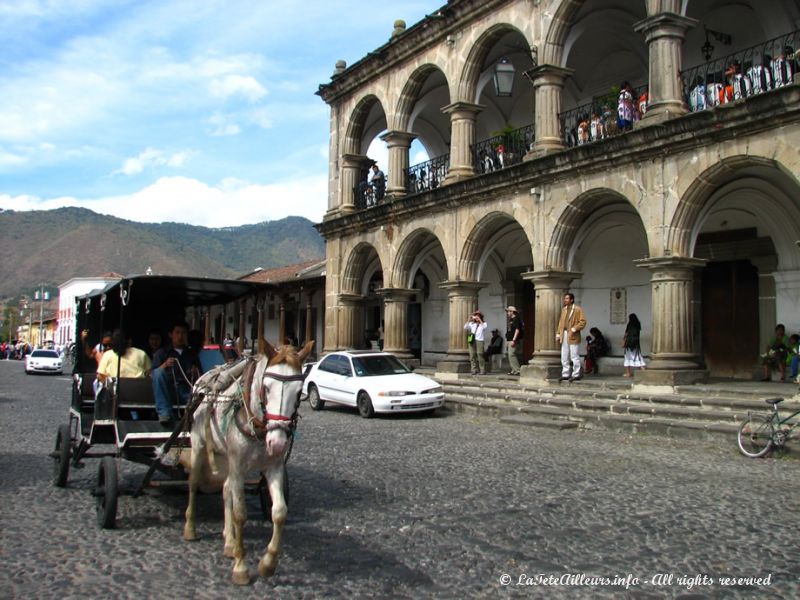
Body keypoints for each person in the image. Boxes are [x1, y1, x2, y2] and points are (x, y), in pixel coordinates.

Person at [151, 321, 201, 426]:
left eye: (183, 333)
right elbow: (152, 375)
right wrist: (164, 365)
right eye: (177, 333)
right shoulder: (162, 353)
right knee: (158, 372)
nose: (180, 336)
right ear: (171, 335)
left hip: (187, 393)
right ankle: (165, 413)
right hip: (169, 392)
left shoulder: (191, 354)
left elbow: (201, 377)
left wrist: (196, 372)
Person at [556, 293, 587, 381]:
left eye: (567, 299)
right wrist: (558, 333)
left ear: (572, 300)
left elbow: (583, 322)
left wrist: (574, 329)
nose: (565, 300)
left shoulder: (577, 309)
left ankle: (576, 374)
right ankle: (565, 373)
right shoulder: (564, 310)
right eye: (564, 298)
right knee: (564, 355)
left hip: (573, 334)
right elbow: (560, 323)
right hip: (564, 333)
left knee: (574, 355)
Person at [463, 310, 487, 375]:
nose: (476, 316)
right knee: (472, 355)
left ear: (480, 316)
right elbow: (465, 327)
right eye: (476, 315)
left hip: (479, 340)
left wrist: (480, 320)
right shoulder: (472, 324)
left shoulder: (483, 323)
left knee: (480, 354)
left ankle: (482, 369)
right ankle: (474, 369)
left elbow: (484, 327)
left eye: (478, 315)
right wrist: (469, 319)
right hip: (472, 340)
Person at [505, 306, 524, 376]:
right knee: (510, 355)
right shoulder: (511, 320)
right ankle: (513, 369)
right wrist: (508, 340)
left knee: (512, 354)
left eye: (508, 311)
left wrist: (514, 339)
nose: (507, 313)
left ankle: (517, 369)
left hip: (514, 340)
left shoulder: (516, 319)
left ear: (512, 312)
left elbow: (517, 330)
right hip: (510, 340)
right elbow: (510, 331)